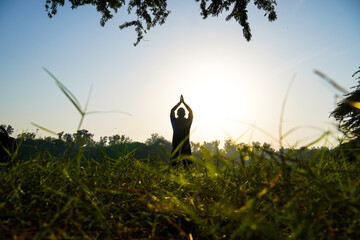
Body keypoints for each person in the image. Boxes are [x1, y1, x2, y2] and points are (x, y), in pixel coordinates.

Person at [170, 95, 193, 168]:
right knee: (187, 166)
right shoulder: (187, 122)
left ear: (177, 114)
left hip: (176, 145)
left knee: (174, 166)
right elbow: (190, 111)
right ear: (185, 114)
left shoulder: (175, 122)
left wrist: (179, 103)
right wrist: (184, 103)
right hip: (185, 146)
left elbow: (172, 111)